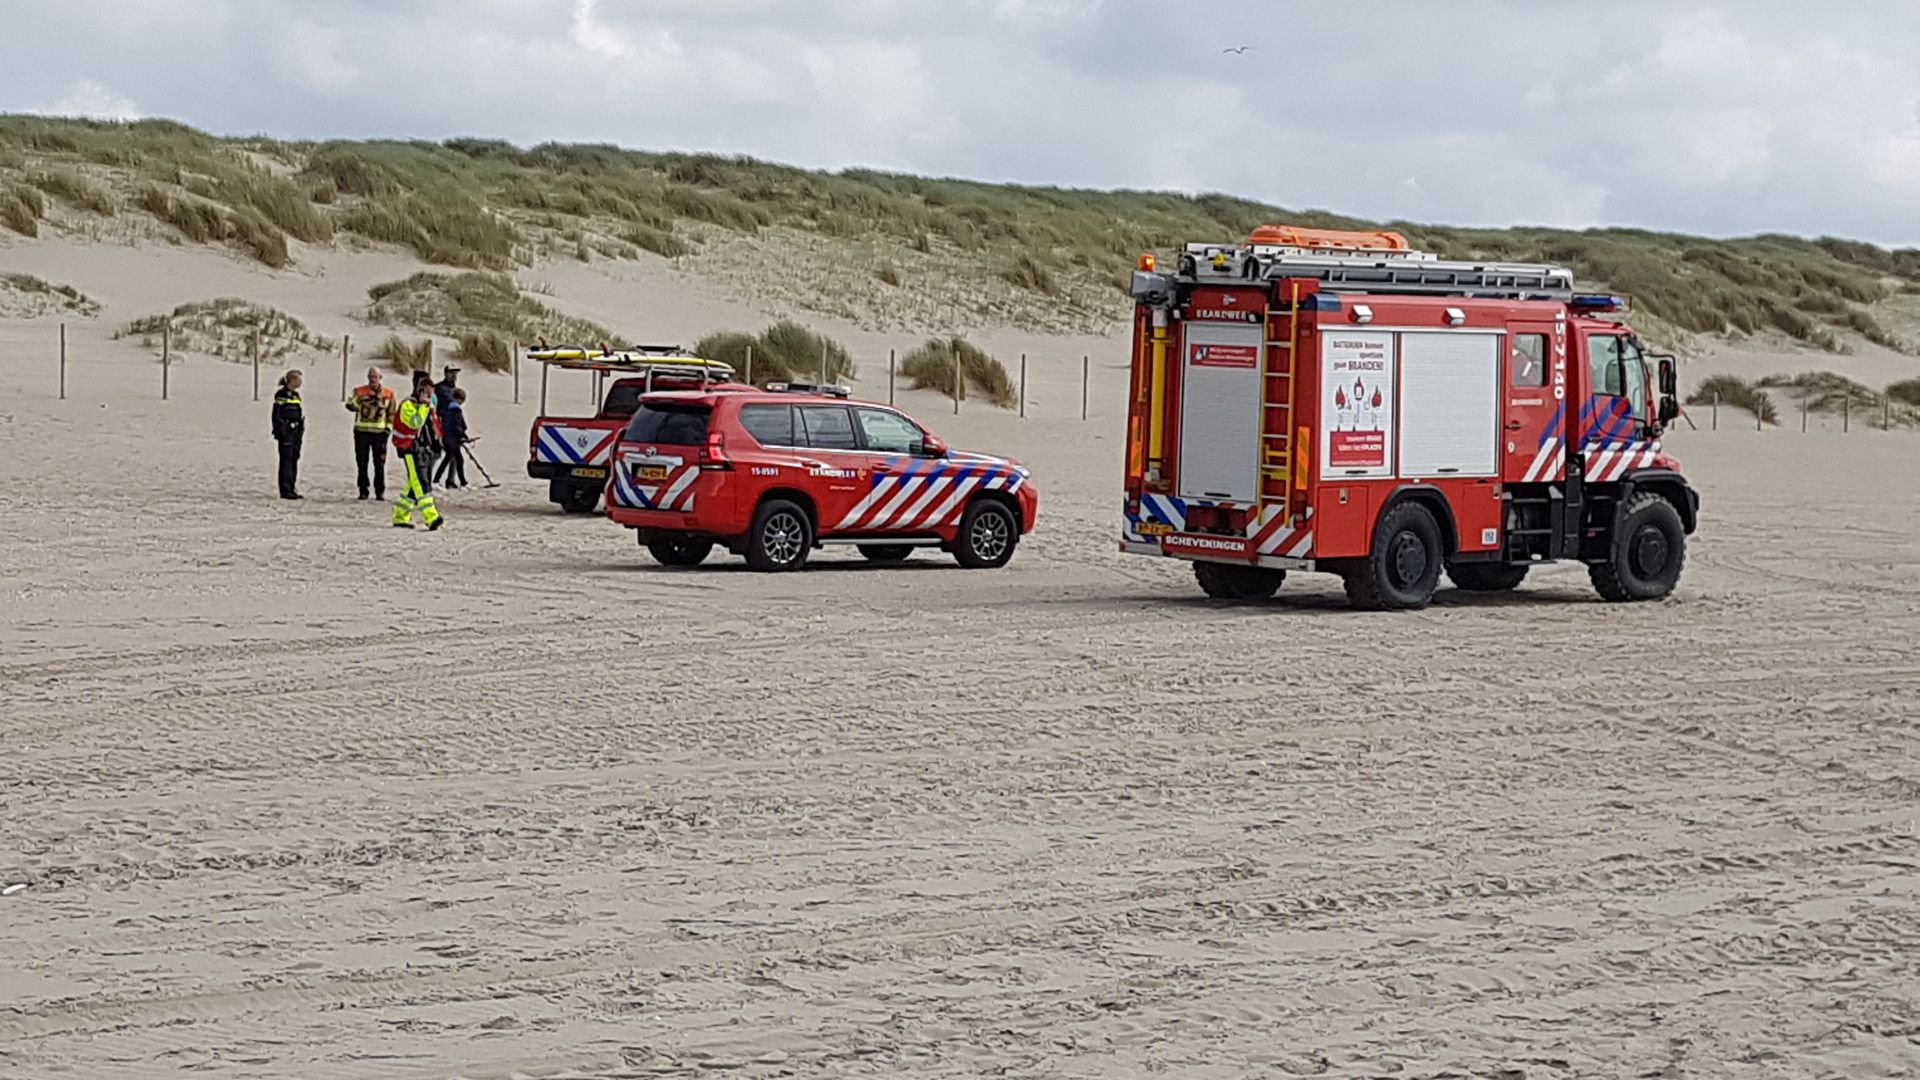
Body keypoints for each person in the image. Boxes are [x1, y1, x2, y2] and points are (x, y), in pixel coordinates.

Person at [390, 376, 444, 530]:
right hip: (409, 449)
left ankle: (401, 515)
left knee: (413, 485)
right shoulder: (408, 405)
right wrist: (423, 407)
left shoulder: (428, 407)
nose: (430, 398)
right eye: (427, 394)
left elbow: (434, 426)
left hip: (424, 449)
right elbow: (415, 423)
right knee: (421, 483)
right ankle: (431, 517)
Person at [345, 366, 397, 500]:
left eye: (375, 377)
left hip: (380, 433)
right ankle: (363, 490)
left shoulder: (388, 394)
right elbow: (351, 406)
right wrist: (359, 400)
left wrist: (388, 428)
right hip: (361, 432)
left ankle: (380, 491)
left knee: (379, 463)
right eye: (370, 376)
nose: (373, 379)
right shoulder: (360, 391)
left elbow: (392, 413)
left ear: (380, 378)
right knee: (362, 463)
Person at [271, 369, 305, 500]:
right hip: (286, 432)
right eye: (299, 380)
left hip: (296, 432)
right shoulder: (281, 394)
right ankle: (285, 489)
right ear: (292, 380)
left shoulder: (296, 395)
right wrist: (281, 430)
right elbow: (277, 414)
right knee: (286, 460)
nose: (301, 383)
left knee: (294, 458)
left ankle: (292, 487)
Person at [435, 387, 471, 489]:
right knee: (459, 460)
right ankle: (463, 483)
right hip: (452, 439)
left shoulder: (447, 408)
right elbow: (456, 425)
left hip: (448, 438)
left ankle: (436, 480)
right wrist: (461, 434)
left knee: (448, 459)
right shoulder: (455, 409)